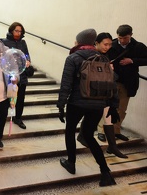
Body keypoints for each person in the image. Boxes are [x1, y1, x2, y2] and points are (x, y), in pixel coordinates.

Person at [57, 29, 119, 187]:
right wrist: (113, 105)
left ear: (79, 42)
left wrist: (61, 104)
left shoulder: (73, 58)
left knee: (70, 131)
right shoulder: (104, 59)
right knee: (89, 136)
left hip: (77, 103)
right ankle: (105, 172)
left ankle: (71, 163)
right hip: (98, 104)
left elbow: (66, 84)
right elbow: (112, 84)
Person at [76, 33, 128, 159]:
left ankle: (112, 146)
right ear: (96, 43)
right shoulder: (90, 55)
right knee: (92, 116)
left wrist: (110, 70)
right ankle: (84, 136)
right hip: (92, 92)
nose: (108, 47)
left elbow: (112, 77)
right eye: (105, 44)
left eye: (110, 44)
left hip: (104, 91)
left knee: (108, 117)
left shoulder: (105, 56)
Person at [107, 24, 147, 141]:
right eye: (120, 38)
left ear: (131, 35)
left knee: (121, 109)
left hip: (128, 83)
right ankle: (103, 131)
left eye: (125, 38)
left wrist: (132, 61)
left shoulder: (138, 46)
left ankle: (116, 131)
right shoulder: (111, 45)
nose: (122, 40)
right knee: (106, 107)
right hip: (112, 81)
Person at [2, 22, 33, 129]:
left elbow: (27, 55)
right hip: (10, 76)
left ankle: (18, 118)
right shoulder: (4, 42)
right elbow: (3, 58)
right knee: (9, 97)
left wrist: (28, 61)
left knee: (20, 98)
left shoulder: (23, 43)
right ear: (11, 30)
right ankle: (3, 117)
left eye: (20, 31)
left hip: (22, 74)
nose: (18, 33)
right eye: (16, 30)